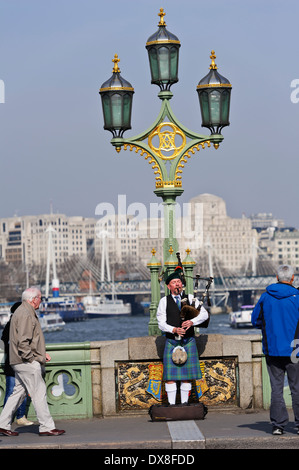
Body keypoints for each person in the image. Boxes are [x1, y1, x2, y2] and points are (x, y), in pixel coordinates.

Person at [0, 287, 65, 437]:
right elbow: (23, 342)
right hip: (25, 361)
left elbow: (26, 340)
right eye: (40, 298)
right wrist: (32, 359)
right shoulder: (26, 313)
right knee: (39, 393)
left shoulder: (22, 311)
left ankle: (2, 424)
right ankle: (47, 427)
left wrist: (41, 354)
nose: (41, 301)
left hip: (19, 360)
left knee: (18, 393)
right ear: (33, 299)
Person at [251, 264, 299, 435]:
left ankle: (278, 425)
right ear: (292, 278)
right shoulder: (297, 297)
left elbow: (255, 320)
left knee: (276, 388)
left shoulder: (265, 297)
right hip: (295, 350)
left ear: (277, 277)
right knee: (297, 387)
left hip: (272, 348)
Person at [156, 267, 209, 405]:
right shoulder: (164, 301)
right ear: (169, 286)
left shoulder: (190, 298)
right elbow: (161, 323)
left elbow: (204, 315)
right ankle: (172, 405)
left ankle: (185, 404)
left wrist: (192, 321)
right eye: (174, 282)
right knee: (170, 378)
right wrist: (173, 329)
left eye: (179, 281)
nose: (177, 284)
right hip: (172, 341)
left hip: (188, 341)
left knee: (187, 377)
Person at [1, 301, 33, 426]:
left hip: (13, 361)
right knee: (15, 389)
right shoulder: (12, 325)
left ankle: (14, 417)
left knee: (17, 389)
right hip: (17, 361)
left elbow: (3, 341)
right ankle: (16, 417)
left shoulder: (10, 324)